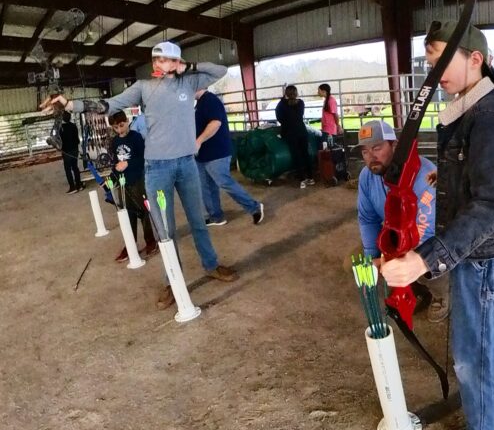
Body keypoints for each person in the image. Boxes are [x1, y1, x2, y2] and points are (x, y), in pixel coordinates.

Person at [380, 20, 494, 430]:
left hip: (483, 252)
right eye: (429, 64)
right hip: (479, 246)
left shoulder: (488, 118)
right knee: (489, 336)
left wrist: (423, 258)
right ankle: (489, 406)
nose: (433, 75)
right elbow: (484, 180)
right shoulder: (470, 105)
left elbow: (490, 205)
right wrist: (450, 180)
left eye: (441, 62)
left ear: (476, 59)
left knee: (477, 348)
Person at [42, 41, 239, 310]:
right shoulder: (144, 88)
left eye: (165, 59)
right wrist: (69, 104)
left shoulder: (189, 83)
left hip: (187, 166)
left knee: (198, 221)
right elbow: (107, 105)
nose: (158, 64)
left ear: (176, 61)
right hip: (157, 169)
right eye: (155, 60)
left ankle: (211, 265)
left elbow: (221, 70)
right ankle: (172, 281)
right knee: (165, 229)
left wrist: (188, 66)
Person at [355, 120, 448, 322]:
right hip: (397, 234)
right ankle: (413, 289)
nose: (371, 157)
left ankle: (442, 294)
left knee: (425, 260)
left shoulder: (427, 174)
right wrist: (372, 257)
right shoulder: (366, 177)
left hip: (432, 238)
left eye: (377, 148)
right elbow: (367, 218)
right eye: (365, 151)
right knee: (354, 263)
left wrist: (394, 258)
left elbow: (428, 228)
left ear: (395, 146)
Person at [194, 89, 265, 226]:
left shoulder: (210, 100)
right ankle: (216, 216)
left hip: (216, 153)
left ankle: (254, 207)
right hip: (202, 154)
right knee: (207, 187)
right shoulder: (200, 103)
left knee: (224, 183)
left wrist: (198, 141)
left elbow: (215, 123)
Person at [108, 111, 157, 262]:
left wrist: (128, 163)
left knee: (143, 211)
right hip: (123, 183)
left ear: (127, 121)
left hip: (138, 180)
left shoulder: (136, 138)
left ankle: (151, 241)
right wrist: (111, 179)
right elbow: (115, 164)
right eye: (116, 127)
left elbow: (143, 159)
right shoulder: (114, 142)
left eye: (121, 125)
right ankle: (130, 244)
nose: (119, 130)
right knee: (128, 214)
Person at [276, 84, 315, 188]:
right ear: (296, 93)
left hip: (290, 133)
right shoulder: (301, 103)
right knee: (305, 154)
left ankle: (302, 179)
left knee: (296, 156)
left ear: (286, 93)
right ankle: (311, 178)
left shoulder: (281, 105)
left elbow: (280, 119)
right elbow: (298, 115)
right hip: (302, 131)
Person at [59, 111, 84, 194]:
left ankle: (72, 187)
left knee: (68, 169)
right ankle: (79, 185)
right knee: (75, 167)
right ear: (69, 117)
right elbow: (77, 140)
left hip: (66, 152)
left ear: (62, 118)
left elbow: (58, 141)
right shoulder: (73, 126)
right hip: (74, 150)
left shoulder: (60, 128)